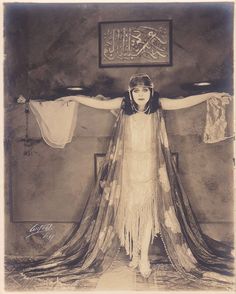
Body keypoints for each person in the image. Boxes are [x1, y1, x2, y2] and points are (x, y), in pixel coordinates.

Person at [15, 73, 234, 288]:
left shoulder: (159, 105)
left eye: (144, 90)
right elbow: (93, 103)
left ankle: (144, 256)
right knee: (129, 211)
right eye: (136, 90)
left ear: (151, 91)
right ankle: (135, 253)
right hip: (127, 170)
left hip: (150, 169)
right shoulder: (122, 105)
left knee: (148, 212)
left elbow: (186, 101)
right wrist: (72, 98)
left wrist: (211, 94)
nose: (140, 94)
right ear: (130, 93)